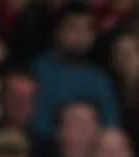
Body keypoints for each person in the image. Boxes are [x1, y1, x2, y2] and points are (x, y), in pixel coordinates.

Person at [31, 2, 119, 137]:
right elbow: (34, 124)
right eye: (73, 27)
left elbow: (110, 126)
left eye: (87, 29)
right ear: (58, 31)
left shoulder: (100, 79)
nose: (81, 35)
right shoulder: (38, 73)